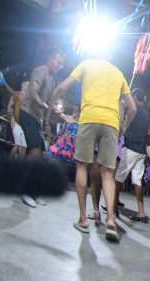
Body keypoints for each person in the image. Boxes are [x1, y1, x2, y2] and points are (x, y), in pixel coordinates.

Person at [49, 56, 136, 243]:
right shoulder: (118, 73)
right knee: (107, 173)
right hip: (111, 123)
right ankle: (111, 220)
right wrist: (124, 125)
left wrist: (51, 102)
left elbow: (62, 87)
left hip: (89, 118)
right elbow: (133, 108)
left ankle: (83, 219)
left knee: (82, 167)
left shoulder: (86, 65)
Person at [19, 47, 64, 207]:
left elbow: (51, 108)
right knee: (36, 151)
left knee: (42, 156)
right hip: (26, 113)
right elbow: (33, 93)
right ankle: (25, 190)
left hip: (36, 118)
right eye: (58, 62)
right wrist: (46, 108)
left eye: (62, 64)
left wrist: (64, 117)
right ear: (50, 59)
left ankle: (33, 190)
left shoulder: (53, 80)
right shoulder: (41, 71)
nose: (59, 66)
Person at [114, 88, 150, 223]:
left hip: (131, 148)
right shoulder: (146, 114)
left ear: (135, 97)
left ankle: (113, 207)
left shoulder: (134, 111)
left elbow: (125, 125)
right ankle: (141, 212)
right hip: (141, 150)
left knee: (118, 179)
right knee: (137, 181)